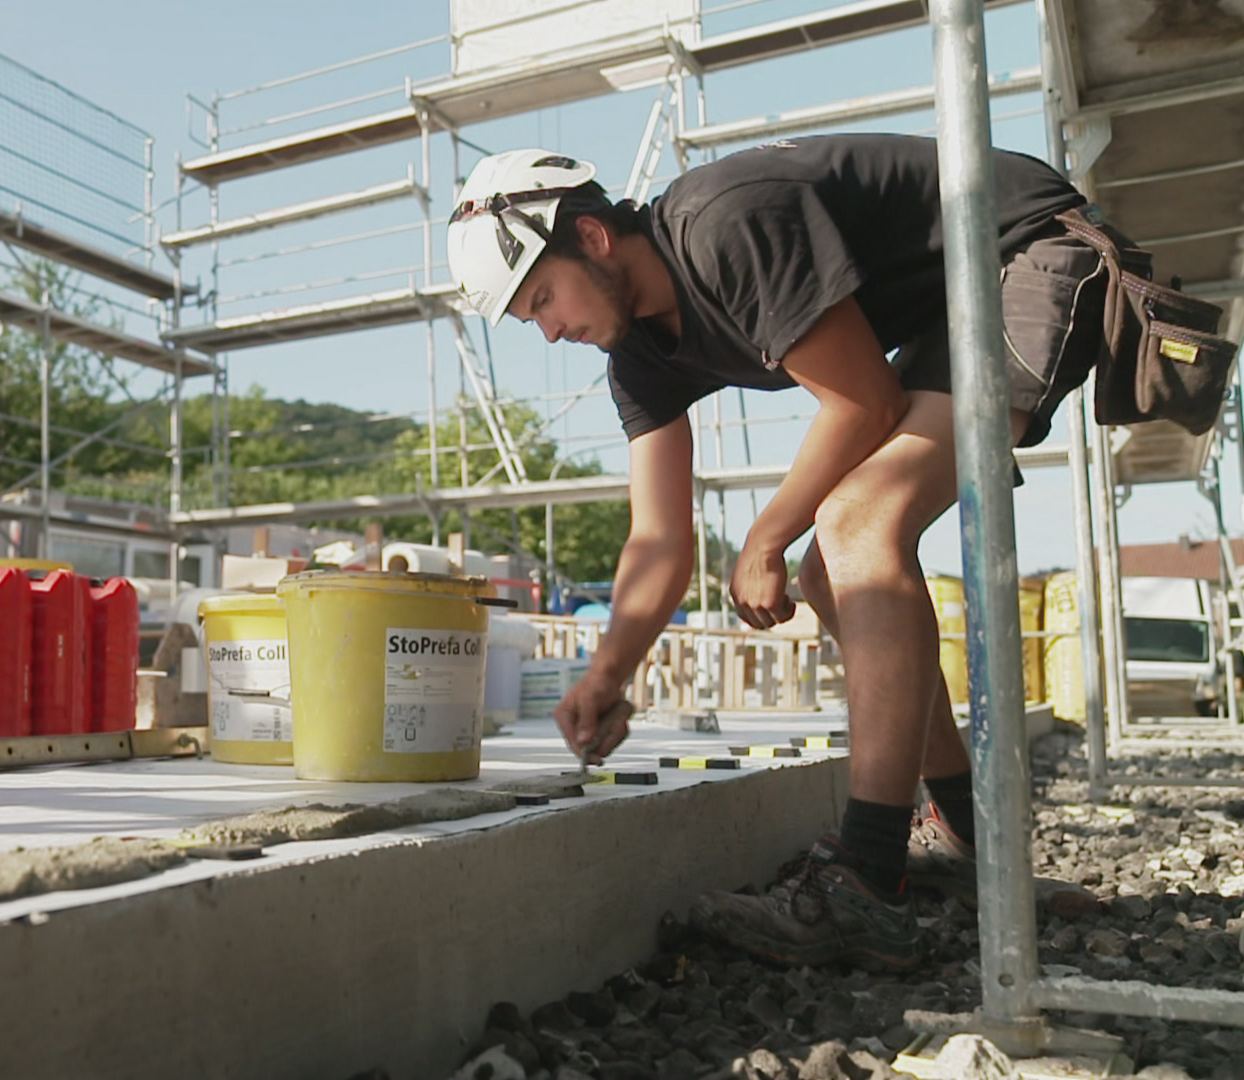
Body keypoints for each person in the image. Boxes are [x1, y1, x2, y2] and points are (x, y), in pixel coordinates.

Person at [446, 135, 1120, 971]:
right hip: (958, 302)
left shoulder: (724, 225)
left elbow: (865, 400)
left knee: (855, 527)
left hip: (1037, 252)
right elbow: (658, 537)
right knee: (832, 566)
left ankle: (866, 881)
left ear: (590, 238)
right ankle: (966, 835)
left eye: (543, 298)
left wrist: (766, 533)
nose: (548, 332)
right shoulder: (636, 356)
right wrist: (606, 675)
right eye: (529, 319)